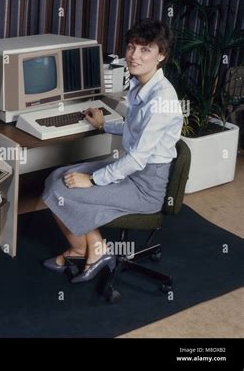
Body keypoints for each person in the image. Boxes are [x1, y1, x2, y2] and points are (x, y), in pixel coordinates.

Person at [41, 19, 184, 283]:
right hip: (130, 172)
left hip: (144, 186)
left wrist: (93, 180)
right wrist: (105, 125)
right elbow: (134, 128)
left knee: (62, 190)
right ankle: (89, 248)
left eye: (145, 50)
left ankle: (86, 250)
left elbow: (138, 158)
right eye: (131, 47)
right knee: (56, 176)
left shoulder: (161, 100)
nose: (134, 56)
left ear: (161, 55)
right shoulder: (142, 84)